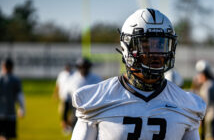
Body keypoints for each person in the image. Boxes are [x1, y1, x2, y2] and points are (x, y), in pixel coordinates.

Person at [71, 8, 206, 139]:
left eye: (161, 45)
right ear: (127, 48)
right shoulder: (97, 99)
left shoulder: (185, 104)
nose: (156, 54)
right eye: (146, 46)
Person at [67, 57, 102, 128]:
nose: (83, 69)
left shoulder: (97, 79)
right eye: (81, 67)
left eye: (85, 67)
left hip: (94, 111)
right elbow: (66, 99)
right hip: (76, 111)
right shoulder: (72, 80)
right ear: (77, 67)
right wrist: (65, 117)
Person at [0, 58, 25, 139]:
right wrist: (22, 109)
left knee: (2, 136)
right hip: (11, 113)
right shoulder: (15, 80)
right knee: (8, 136)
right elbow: (20, 96)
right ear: (12, 67)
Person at [53, 63, 74, 134]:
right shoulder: (62, 75)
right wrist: (55, 93)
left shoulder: (74, 74)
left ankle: (69, 127)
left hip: (72, 98)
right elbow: (58, 84)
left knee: (72, 114)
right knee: (63, 113)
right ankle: (66, 127)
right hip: (64, 97)